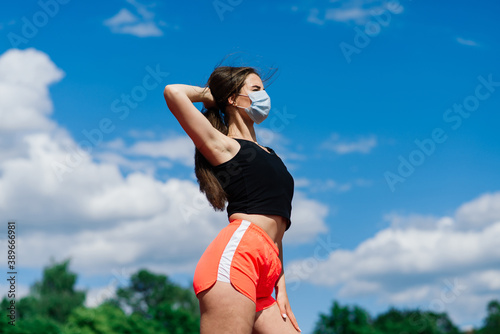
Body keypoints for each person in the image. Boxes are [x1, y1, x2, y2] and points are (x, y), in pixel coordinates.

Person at [163, 66, 300, 333]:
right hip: (239, 257)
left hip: (266, 270)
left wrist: (281, 288)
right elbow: (173, 92)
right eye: (256, 89)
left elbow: (278, 230)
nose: (264, 96)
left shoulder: (271, 154)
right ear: (233, 99)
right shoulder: (224, 145)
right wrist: (212, 95)